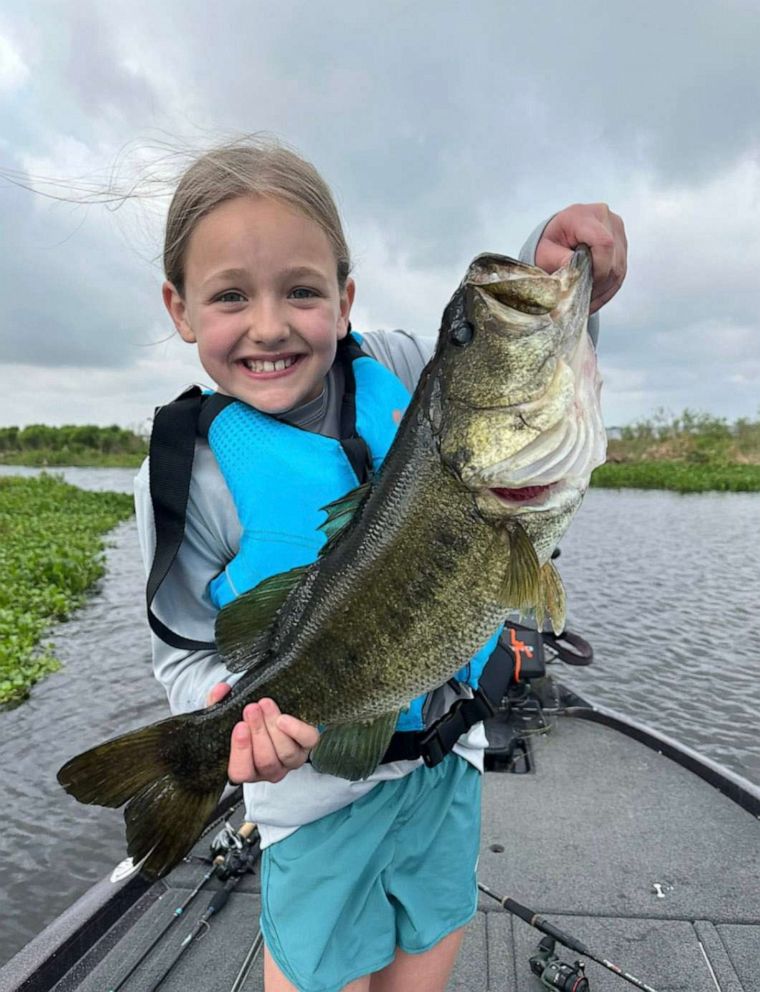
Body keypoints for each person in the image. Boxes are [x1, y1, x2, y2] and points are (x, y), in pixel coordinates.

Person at [134, 136, 627, 992]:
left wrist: (550, 246)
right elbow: (186, 654)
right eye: (229, 297)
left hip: (445, 766)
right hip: (316, 801)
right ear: (180, 309)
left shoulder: (402, 368)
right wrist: (229, 725)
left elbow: (493, 364)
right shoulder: (192, 473)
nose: (269, 324)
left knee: (431, 944)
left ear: (345, 296)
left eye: (301, 290)